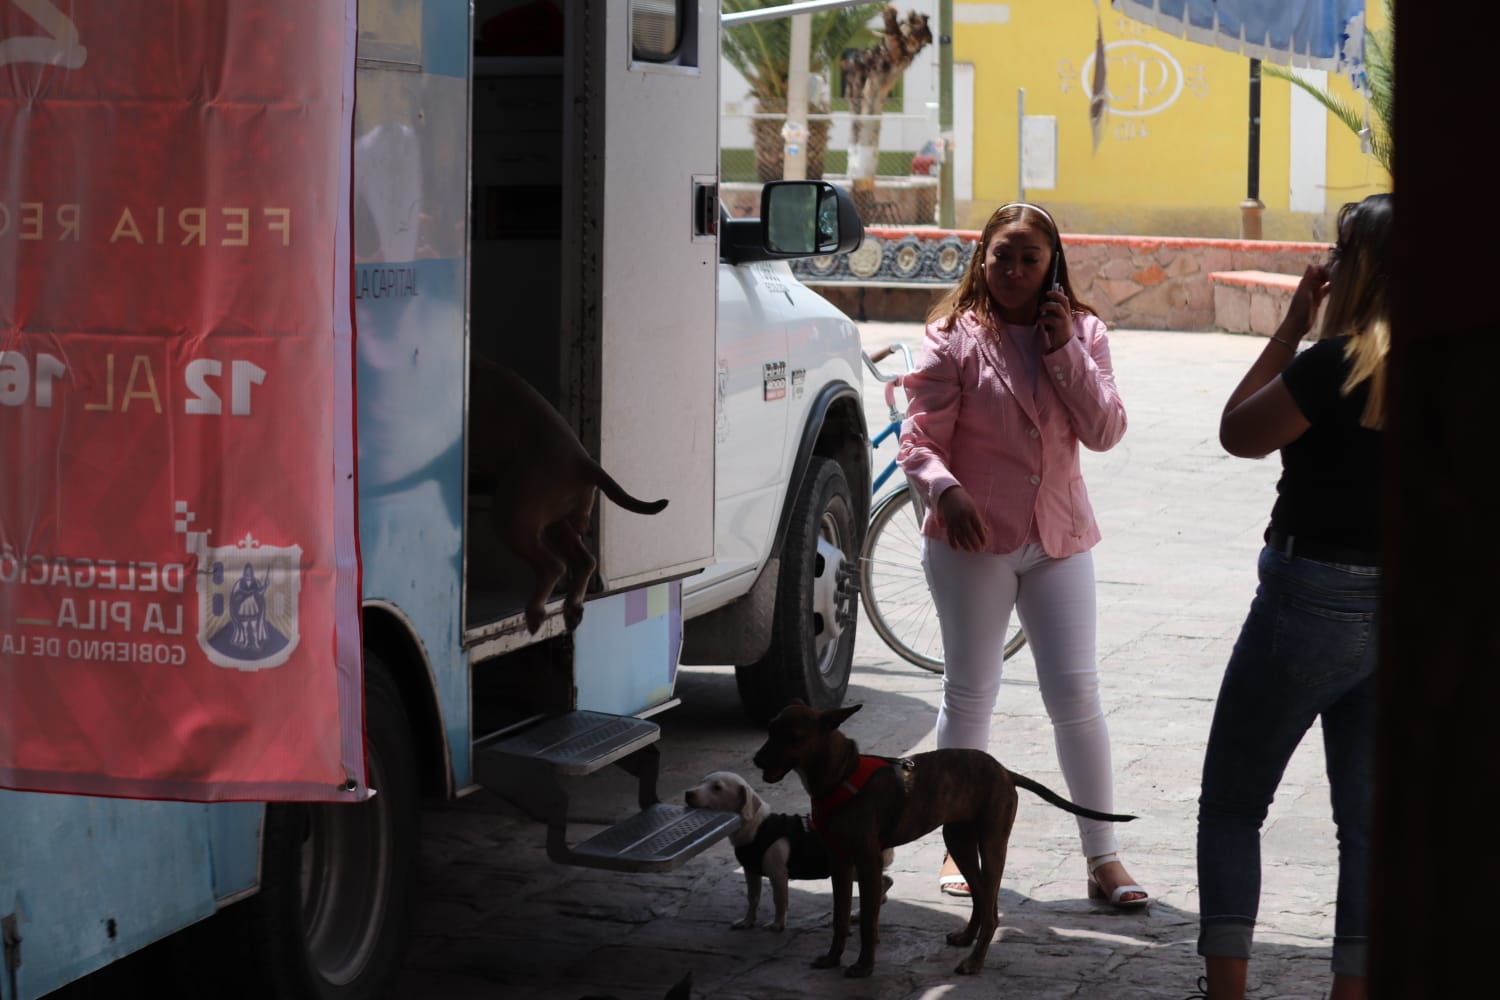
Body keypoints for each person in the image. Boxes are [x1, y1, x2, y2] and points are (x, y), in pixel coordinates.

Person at [895, 202, 1144, 908]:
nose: (1013, 270)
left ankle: (1104, 858)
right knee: (970, 694)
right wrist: (945, 491)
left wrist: (1064, 348)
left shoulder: (1084, 333)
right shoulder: (951, 338)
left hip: (1058, 538)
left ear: (1053, 266)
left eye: (1029, 258)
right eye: (1002, 255)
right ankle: (955, 843)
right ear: (982, 256)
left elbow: (1105, 430)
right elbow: (918, 440)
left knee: (1077, 696)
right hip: (975, 541)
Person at [1194, 193, 1392, 1000]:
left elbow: (1238, 430)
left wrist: (1291, 326)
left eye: (1341, 252)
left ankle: (1228, 992)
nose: (1329, 264)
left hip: (1307, 598)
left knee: (1234, 805)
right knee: (1368, 826)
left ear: (1364, 267)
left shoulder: (1333, 361)